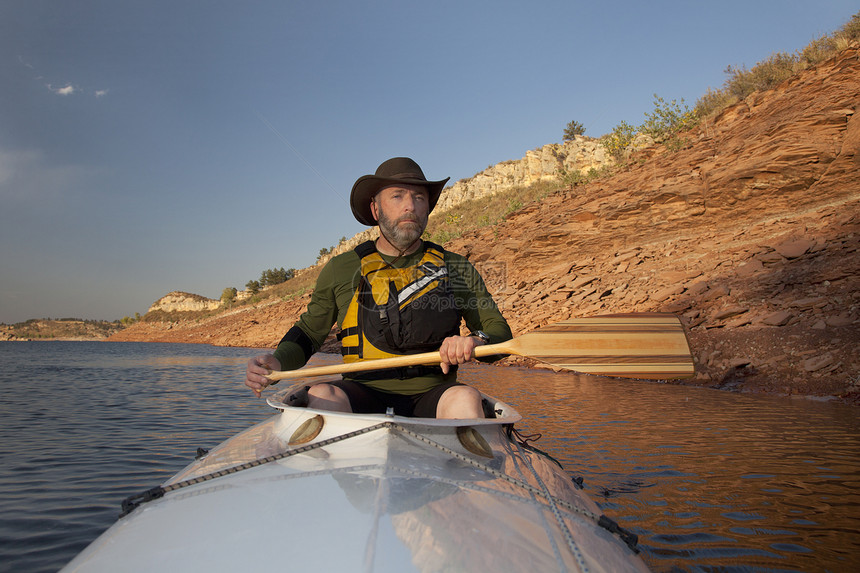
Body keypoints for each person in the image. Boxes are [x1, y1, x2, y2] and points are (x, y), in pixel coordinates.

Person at [245, 157, 512, 418]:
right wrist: (277, 362)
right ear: (376, 210)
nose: (410, 206)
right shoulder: (341, 268)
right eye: (397, 196)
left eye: (419, 198)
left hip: (436, 396)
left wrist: (476, 340)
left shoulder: (457, 268)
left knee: (465, 398)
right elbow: (308, 334)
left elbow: (499, 333)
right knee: (323, 394)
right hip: (361, 391)